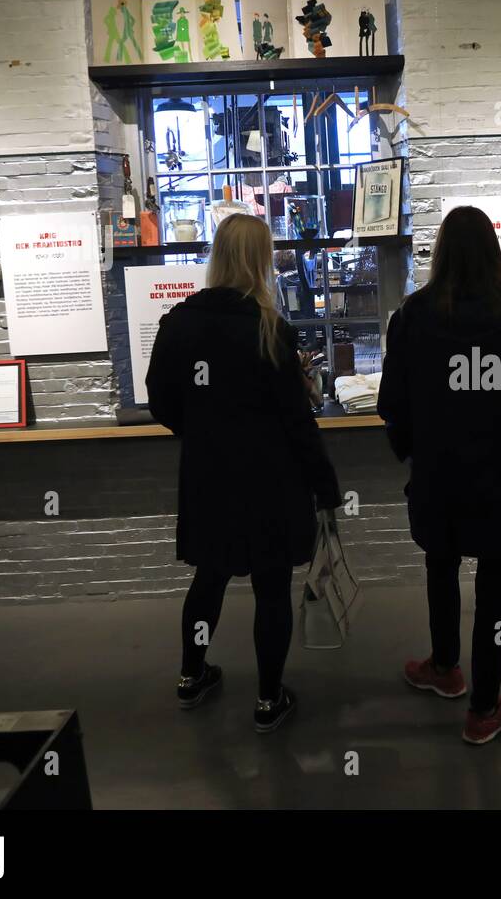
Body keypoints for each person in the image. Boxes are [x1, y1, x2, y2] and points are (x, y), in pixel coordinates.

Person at [147, 214, 341, 734]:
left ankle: (192, 674)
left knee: (208, 578)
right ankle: (268, 697)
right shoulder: (268, 328)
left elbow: (160, 400)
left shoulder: (178, 323)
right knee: (271, 587)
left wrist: (201, 432)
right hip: (269, 479)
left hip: (209, 474)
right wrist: (326, 486)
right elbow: (297, 422)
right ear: (259, 260)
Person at [378, 205, 501, 745]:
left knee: (440, 566)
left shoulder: (410, 316)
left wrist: (413, 454)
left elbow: (392, 404)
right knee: (495, 591)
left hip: (436, 475)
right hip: (497, 479)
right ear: (493, 254)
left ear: (443, 252)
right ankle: (483, 709)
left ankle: (445, 667)